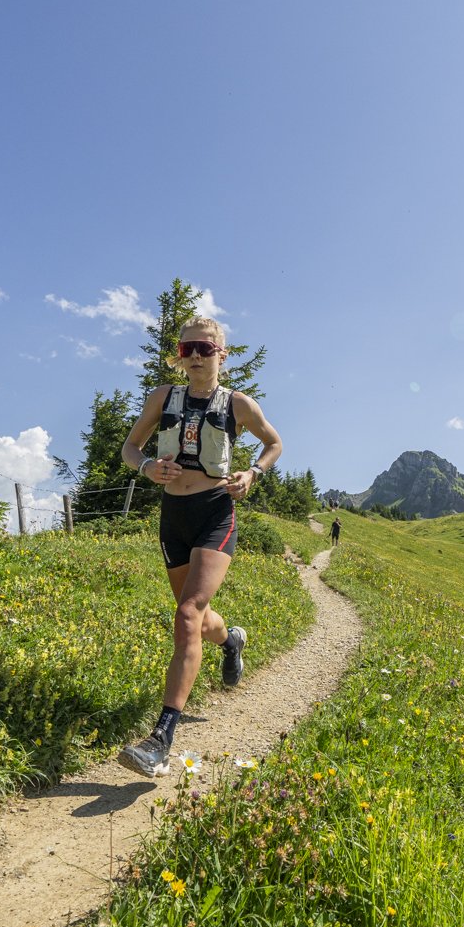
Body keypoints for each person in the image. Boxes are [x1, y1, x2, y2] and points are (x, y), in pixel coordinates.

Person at [116, 316, 283, 777]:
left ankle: (161, 739)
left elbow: (274, 443)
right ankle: (231, 641)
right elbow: (131, 448)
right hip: (173, 517)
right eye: (187, 348)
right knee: (199, 620)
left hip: (215, 512)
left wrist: (253, 473)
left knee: (187, 613)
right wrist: (147, 466)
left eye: (204, 349)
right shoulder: (161, 398)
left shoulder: (238, 405)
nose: (194, 356)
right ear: (178, 353)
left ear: (221, 355)